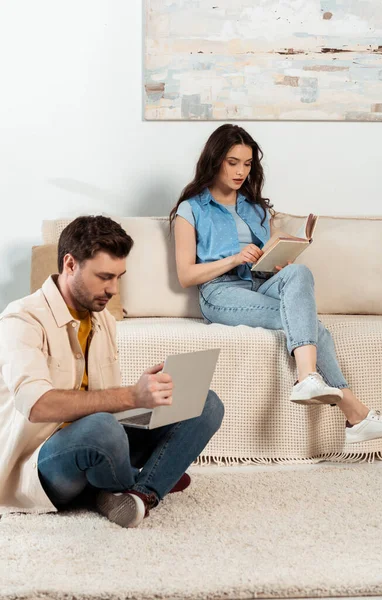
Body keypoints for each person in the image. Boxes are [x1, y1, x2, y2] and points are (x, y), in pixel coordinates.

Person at [170, 124, 382, 445]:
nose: (240, 171)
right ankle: (350, 409)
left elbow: (265, 259)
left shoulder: (256, 209)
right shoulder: (191, 209)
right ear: (215, 160)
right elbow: (186, 275)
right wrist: (234, 258)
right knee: (309, 325)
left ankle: (311, 381)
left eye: (247, 164)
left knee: (299, 274)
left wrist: (278, 262)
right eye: (233, 162)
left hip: (260, 283)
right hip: (220, 292)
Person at [0, 216, 224, 527]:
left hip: (102, 441)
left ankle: (138, 496)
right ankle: (135, 481)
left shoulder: (102, 319)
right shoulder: (21, 319)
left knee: (205, 402)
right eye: (104, 276)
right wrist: (131, 395)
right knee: (103, 429)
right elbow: (38, 406)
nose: (113, 290)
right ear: (69, 265)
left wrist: (146, 397)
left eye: (119, 277)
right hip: (45, 461)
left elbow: (104, 403)